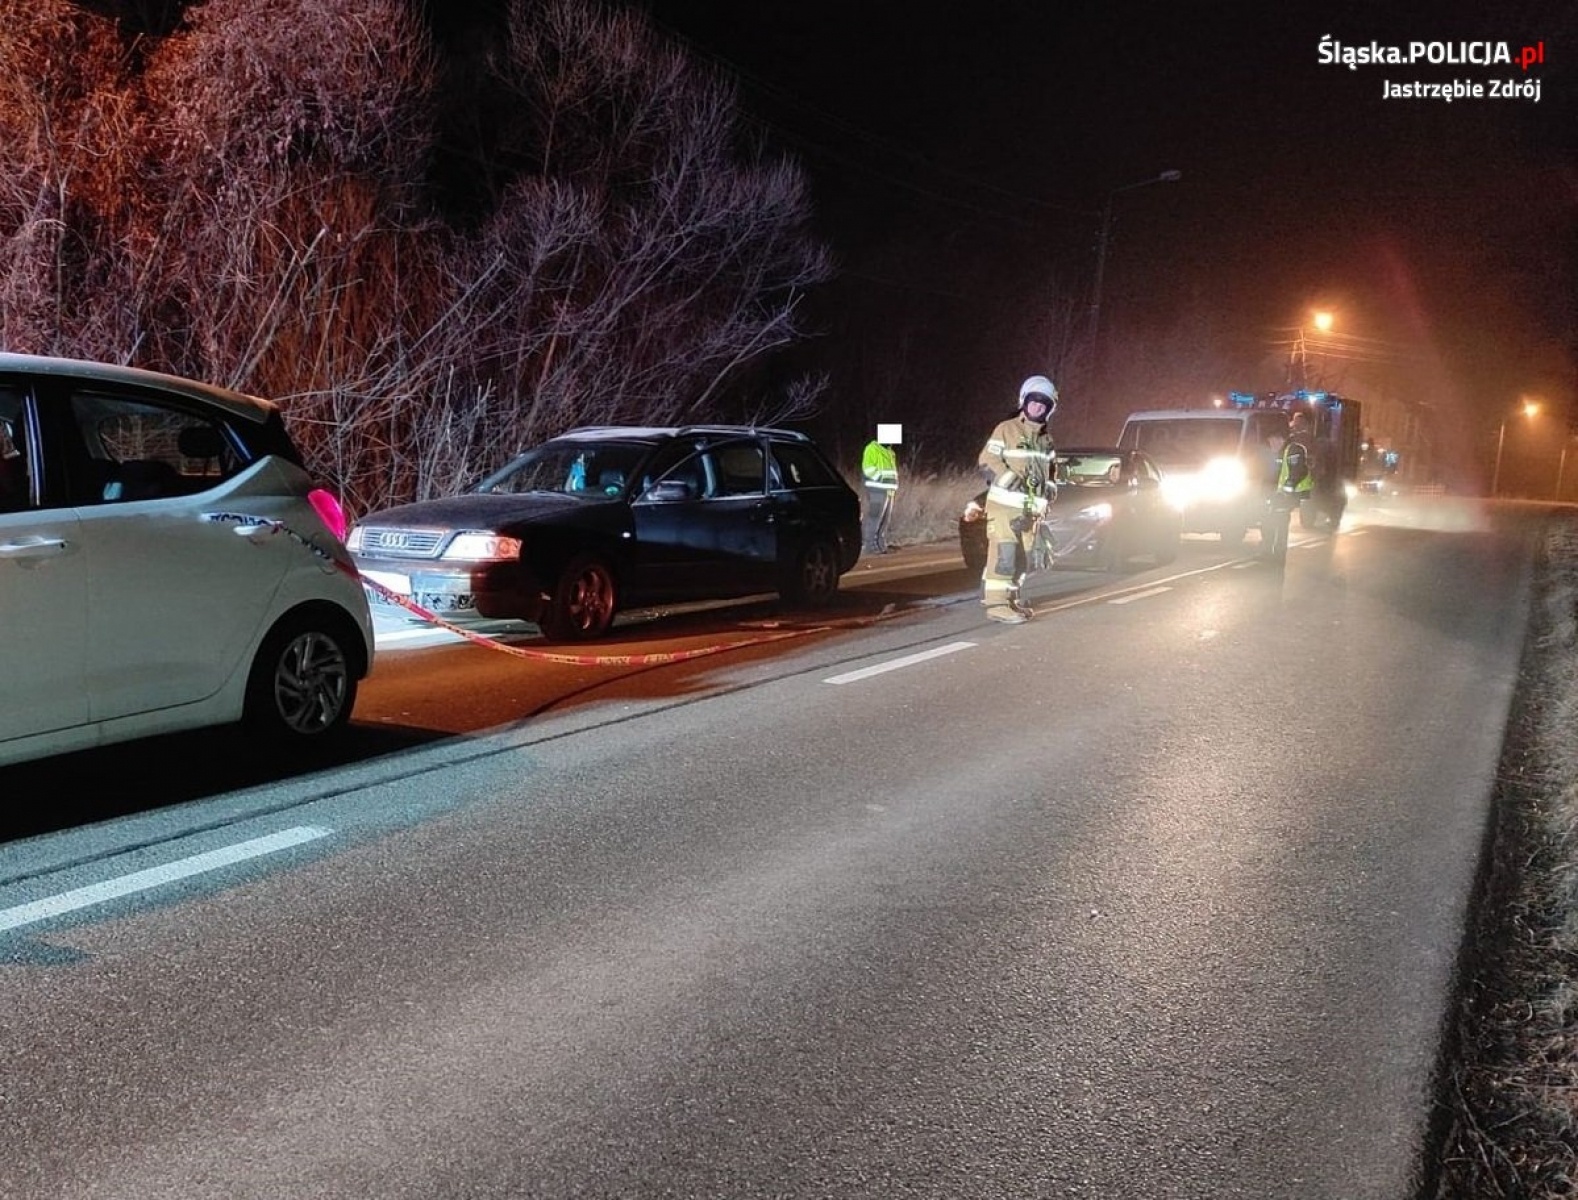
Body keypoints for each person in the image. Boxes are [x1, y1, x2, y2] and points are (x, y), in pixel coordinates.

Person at [977, 375, 1058, 623]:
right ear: (1024, 401)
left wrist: (1051, 488)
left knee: (1023, 559)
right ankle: (996, 605)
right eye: (1034, 402)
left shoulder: (1046, 440)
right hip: (1004, 507)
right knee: (1004, 555)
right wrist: (1009, 477)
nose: (1038, 407)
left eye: (1044, 404)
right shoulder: (1006, 429)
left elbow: (1051, 470)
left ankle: (1010, 600)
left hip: (1029, 512)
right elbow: (986, 461)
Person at [1262, 412, 1314, 564]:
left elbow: (1297, 472)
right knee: (1269, 522)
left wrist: (1287, 489)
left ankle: (1278, 553)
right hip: (1278, 495)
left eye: (1272, 441)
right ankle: (1268, 551)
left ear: (1280, 439)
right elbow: (1272, 475)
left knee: (1279, 523)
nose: (1270, 445)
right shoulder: (1277, 453)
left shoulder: (1293, 450)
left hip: (1287, 496)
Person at [861, 427, 900, 553]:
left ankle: (881, 545)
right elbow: (868, 468)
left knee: (884, 521)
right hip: (877, 490)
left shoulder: (890, 452)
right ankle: (869, 547)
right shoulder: (872, 448)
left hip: (889, 491)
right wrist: (882, 479)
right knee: (874, 518)